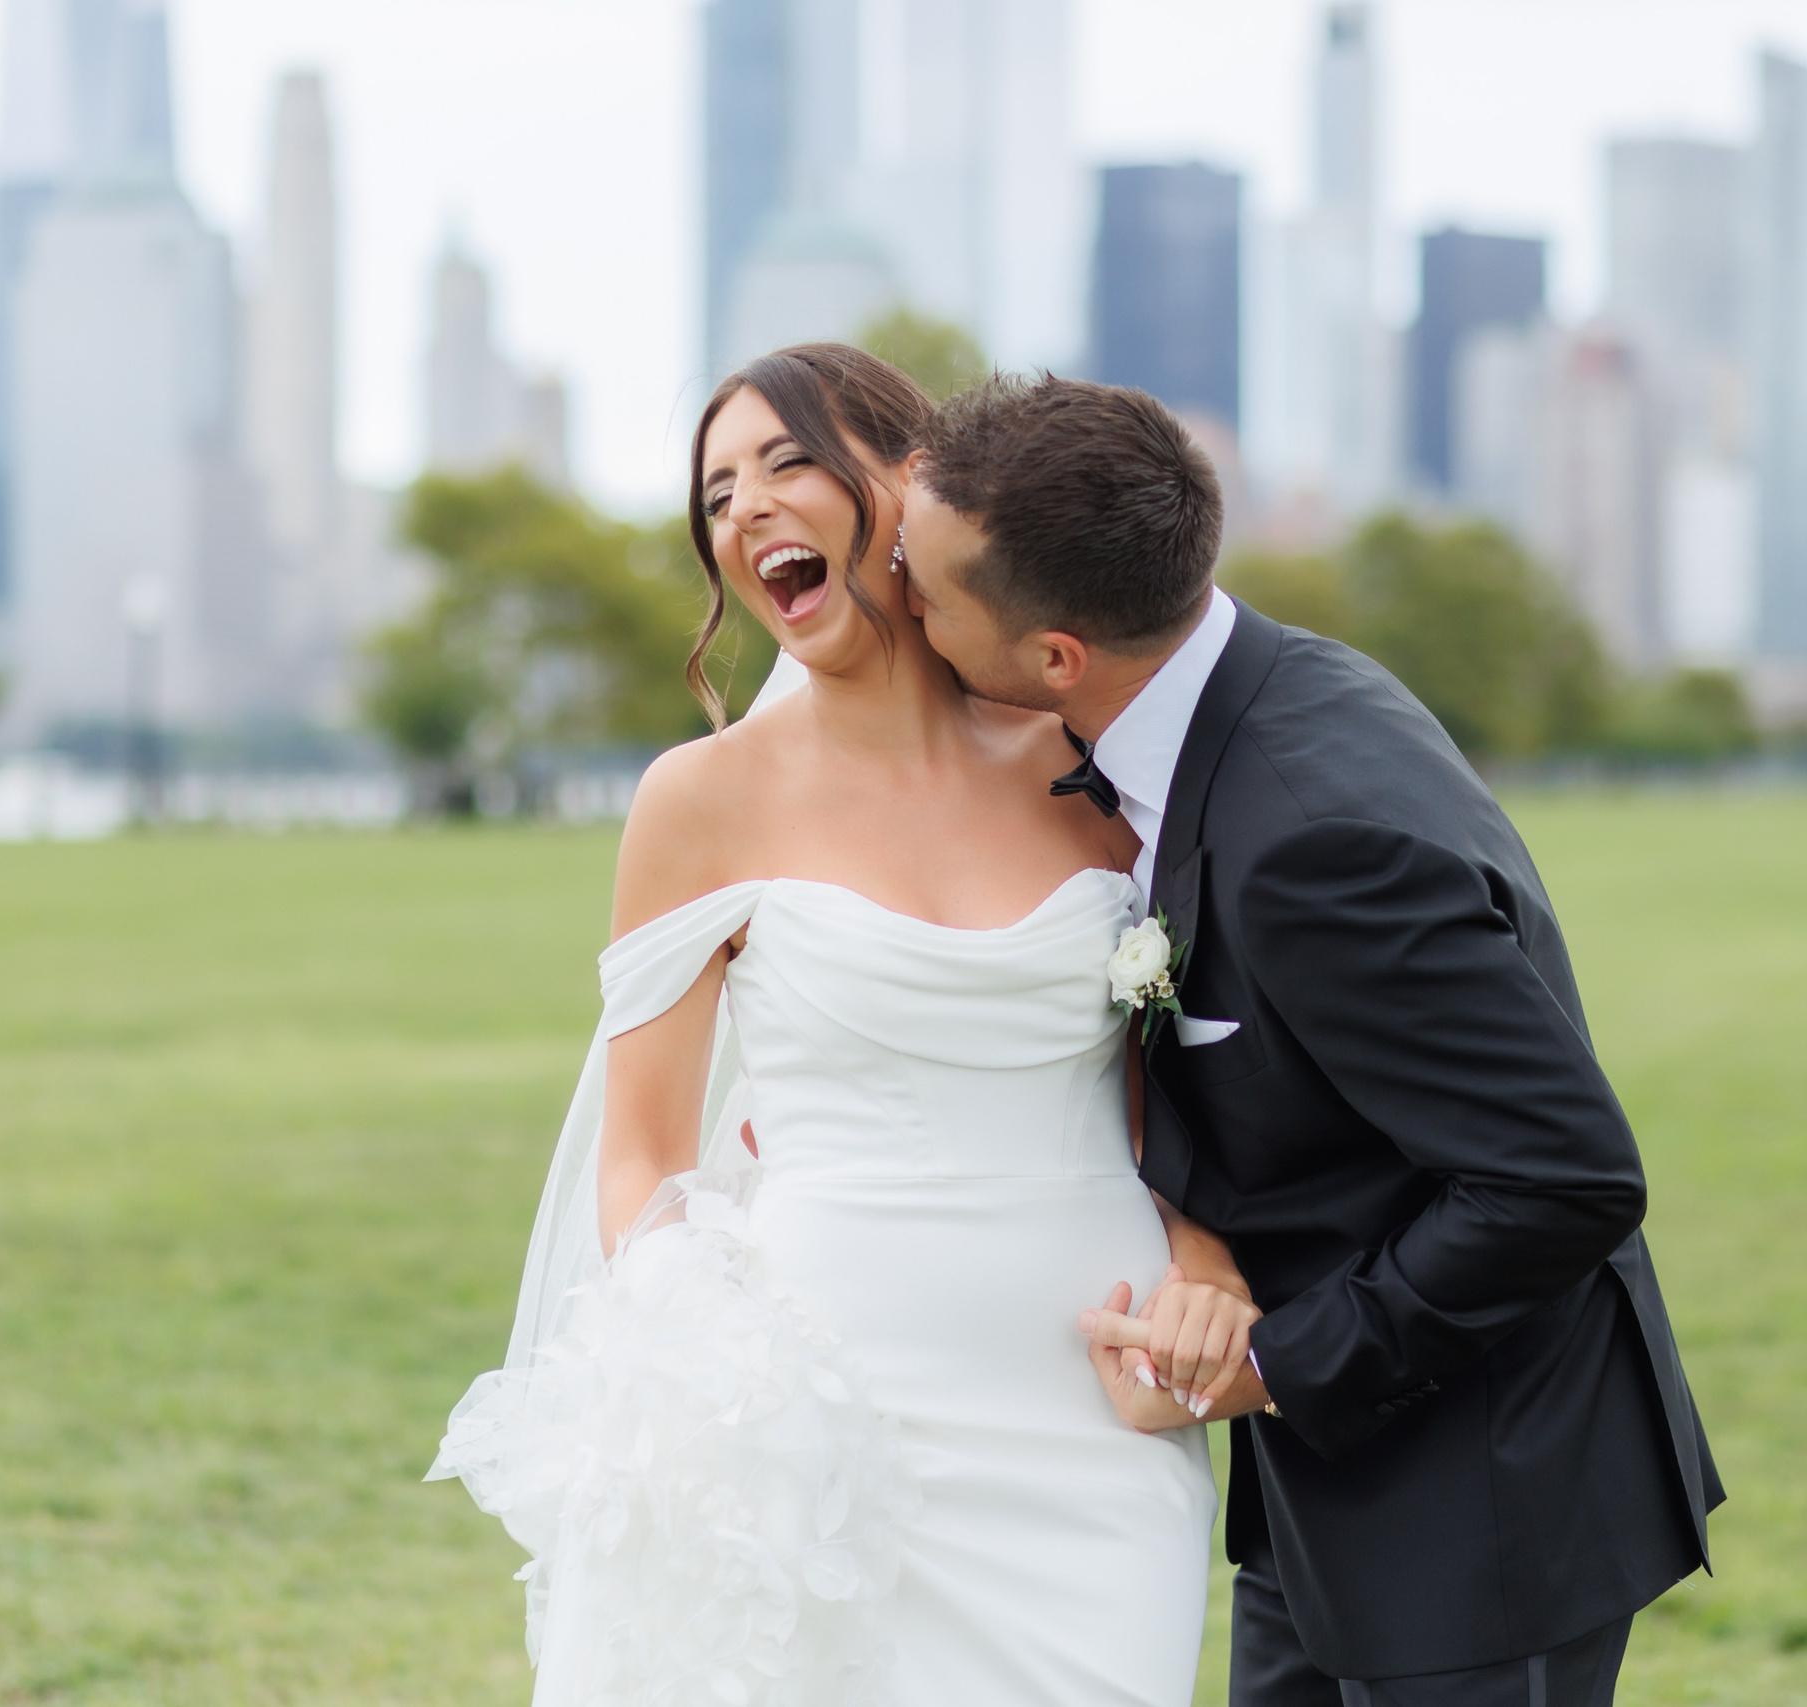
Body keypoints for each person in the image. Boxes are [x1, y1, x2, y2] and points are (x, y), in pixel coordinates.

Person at [427, 344, 1259, 1706]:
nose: (744, 508)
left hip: (1098, 1405)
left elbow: (1169, 1098)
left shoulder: (1087, 765)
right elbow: (640, 1156)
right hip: (830, 1413)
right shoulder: (699, 802)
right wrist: (712, 1357)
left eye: (786, 461)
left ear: (912, 484)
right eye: (716, 496)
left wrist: (1208, 1270)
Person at [894, 374, 1725, 1707]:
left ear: (1055, 657)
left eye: (924, 590)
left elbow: (1562, 1180)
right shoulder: (1244, 682)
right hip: (1329, 1501)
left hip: (1479, 1524)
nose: (901, 605)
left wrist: (1270, 1366)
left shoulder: (1312, 836)